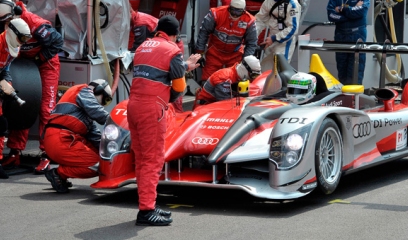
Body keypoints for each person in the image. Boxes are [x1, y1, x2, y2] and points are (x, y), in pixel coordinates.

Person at [127, 15, 200, 226]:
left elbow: (156, 70)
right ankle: (147, 210)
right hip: (152, 108)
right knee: (153, 160)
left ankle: (147, 203)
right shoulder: (173, 50)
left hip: (133, 106)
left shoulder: (143, 47)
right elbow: (179, 88)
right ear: (175, 34)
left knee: (141, 159)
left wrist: (184, 65)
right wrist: (169, 98)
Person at [0, 0, 63, 174]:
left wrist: (38, 59)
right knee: (20, 105)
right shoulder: (6, 23)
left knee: (46, 109)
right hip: (24, 64)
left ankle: (47, 154)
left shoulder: (35, 23)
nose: (4, 25)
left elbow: (58, 42)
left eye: (5, 21)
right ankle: (15, 151)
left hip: (46, 64)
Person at [42, 79, 112, 193]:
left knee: (101, 156)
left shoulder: (86, 117)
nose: (104, 104)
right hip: (61, 139)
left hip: (61, 139)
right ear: (98, 90)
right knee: (97, 166)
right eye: (105, 99)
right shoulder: (83, 91)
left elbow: (97, 139)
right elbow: (97, 111)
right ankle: (58, 173)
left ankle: (60, 174)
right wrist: (117, 121)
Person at [195, 0, 257, 82]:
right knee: (207, 81)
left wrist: (245, 61)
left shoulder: (250, 21)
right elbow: (203, 32)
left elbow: (251, 43)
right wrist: (199, 53)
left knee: (235, 81)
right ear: (229, 8)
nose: (235, 14)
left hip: (235, 54)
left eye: (238, 11)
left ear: (243, 11)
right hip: (215, 52)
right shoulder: (216, 14)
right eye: (233, 10)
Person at [326, 0, 370, 85]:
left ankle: (355, 99)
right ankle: (344, 96)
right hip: (340, 34)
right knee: (342, 69)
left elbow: (362, 12)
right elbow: (330, 15)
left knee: (356, 69)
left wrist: (342, 9)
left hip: (357, 34)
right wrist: (350, 13)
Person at [0, 17, 31, 179]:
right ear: (13, 33)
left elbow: (4, 71)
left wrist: (8, 88)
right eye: (22, 37)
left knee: (1, 125)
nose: (23, 42)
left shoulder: (14, 49)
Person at [255, 0, 301, 72]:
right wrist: (252, 36)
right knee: (264, 71)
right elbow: (259, 20)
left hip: (284, 42)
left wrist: (275, 38)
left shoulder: (292, 4)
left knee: (279, 72)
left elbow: (293, 28)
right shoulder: (268, 1)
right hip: (271, 40)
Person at [195, 55, 261, 106]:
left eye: (256, 76)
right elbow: (225, 103)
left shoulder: (239, 77)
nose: (253, 78)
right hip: (204, 107)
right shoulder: (224, 78)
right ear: (245, 69)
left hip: (216, 106)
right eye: (253, 75)